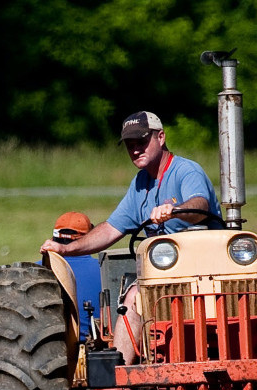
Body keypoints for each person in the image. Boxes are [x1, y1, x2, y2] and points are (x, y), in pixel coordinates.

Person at [39, 111, 221, 364]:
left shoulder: (185, 171)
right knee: (131, 297)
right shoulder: (141, 184)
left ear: (161, 137)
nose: (135, 150)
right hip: (163, 276)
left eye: (141, 142)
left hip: (206, 270)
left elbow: (201, 205)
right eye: (130, 145)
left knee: (136, 295)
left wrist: (175, 210)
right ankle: (119, 382)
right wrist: (66, 249)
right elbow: (111, 229)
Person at [42, 211, 102, 341]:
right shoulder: (105, 269)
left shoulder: (38, 270)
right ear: (90, 240)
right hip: (98, 348)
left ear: (53, 239)